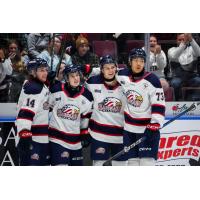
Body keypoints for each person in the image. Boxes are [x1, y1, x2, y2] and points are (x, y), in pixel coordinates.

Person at [116, 48, 166, 166]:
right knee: (132, 163)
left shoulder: (152, 80)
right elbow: (108, 71)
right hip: (129, 130)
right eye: (136, 60)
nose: (139, 63)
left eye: (142, 61)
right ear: (130, 61)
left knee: (146, 163)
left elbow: (159, 104)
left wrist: (155, 124)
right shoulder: (122, 75)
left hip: (147, 130)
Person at [48, 64, 93, 166]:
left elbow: (85, 116)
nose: (76, 78)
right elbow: (46, 106)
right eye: (72, 76)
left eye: (77, 75)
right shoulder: (56, 90)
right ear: (66, 79)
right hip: (57, 139)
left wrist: (84, 132)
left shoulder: (87, 95)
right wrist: (48, 84)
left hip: (75, 141)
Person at [86, 55, 127, 166]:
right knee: (99, 165)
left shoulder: (125, 83)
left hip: (120, 135)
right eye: (107, 68)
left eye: (112, 67)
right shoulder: (92, 83)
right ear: (101, 70)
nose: (110, 70)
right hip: (98, 135)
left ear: (116, 68)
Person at [15, 58, 50, 166]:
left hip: (41, 139)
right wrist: (24, 133)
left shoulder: (37, 85)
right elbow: (25, 114)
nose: (45, 73)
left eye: (46, 70)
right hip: (32, 140)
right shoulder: (35, 89)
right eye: (41, 70)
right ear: (33, 72)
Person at [168, 33, 200, 100]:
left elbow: (199, 53)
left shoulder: (192, 49)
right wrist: (184, 44)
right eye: (180, 40)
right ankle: (177, 101)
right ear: (176, 41)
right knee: (175, 83)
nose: (182, 41)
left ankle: (194, 100)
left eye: (184, 39)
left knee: (198, 81)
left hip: (192, 76)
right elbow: (174, 56)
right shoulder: (171, 50)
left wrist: (191, 40)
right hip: (177, 76)